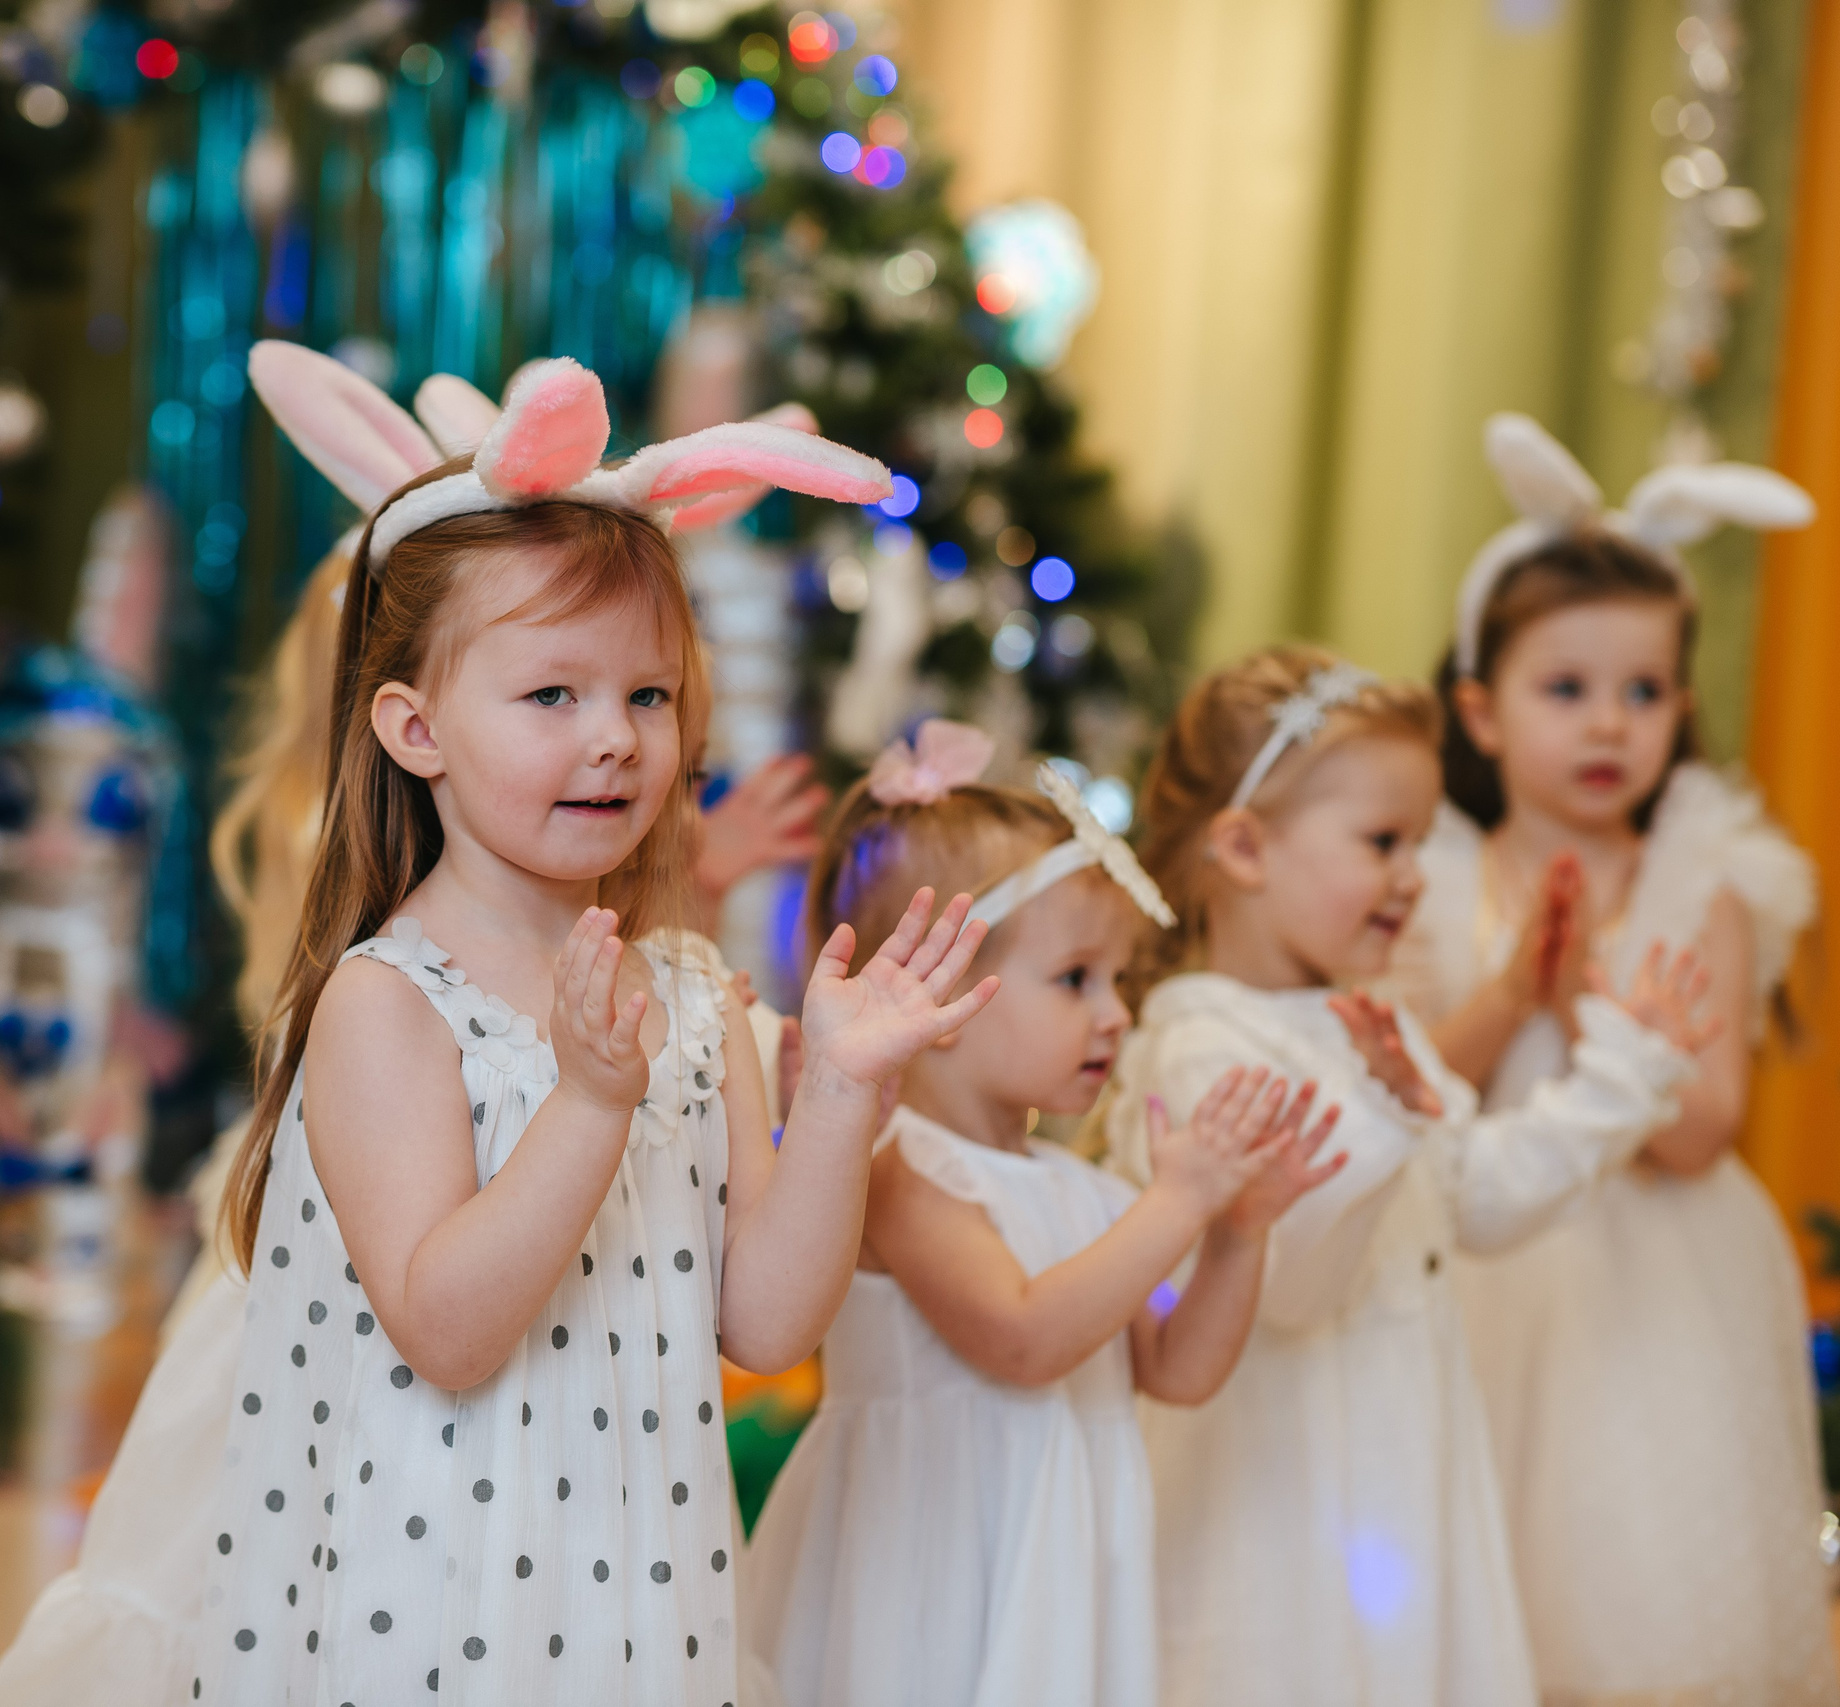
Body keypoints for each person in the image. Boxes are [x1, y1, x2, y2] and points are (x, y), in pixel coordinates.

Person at [189, 354, 982, 1704]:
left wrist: (841, 1094)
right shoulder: (387, 1001)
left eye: (649, 694)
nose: (615, 738)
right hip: (430, 1614)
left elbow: (770, 1320)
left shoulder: (685, 986)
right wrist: (590, 1099)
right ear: (414, 724)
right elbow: (447, 1326)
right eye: (553, 695)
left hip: (637, 1602)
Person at [1104, 646, 1714, 1707]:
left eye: (1420, 841)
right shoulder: (1197, 1043)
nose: (1412, 875)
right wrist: (1388, 1118)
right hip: (1279, 1488)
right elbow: (1285, 1279)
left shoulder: (1372, 1030)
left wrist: (1626, 1074)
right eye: (1382, 841)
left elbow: (1474, 1193)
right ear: (1243, 846)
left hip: (1402, 1462)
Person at [742, 721, 1344, 1707]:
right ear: (934, 996)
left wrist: (1235, 1234)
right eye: (1074, 979)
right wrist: (1179, 1198)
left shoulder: (1085, 1189)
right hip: (933, 1559)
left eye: (1119, 980)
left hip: (1055, 1559)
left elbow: (1176, 1372)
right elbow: (1021, 1339)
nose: (1114, 1013)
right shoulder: (894, 1169)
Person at [1390, 415, 1837, 1705]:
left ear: (1680, 709)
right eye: (1565, 689)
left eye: (1642, 693)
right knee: (1484, 1581)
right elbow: (1421, 1091)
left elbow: (1699, 1131)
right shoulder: (1429, 881)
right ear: (1479, 707)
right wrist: (1511, 984)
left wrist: (1589, 983)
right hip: (1489, 1258)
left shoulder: (1706, 882)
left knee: (1640, 1599)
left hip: (1660, 1291)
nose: (1608, 725)